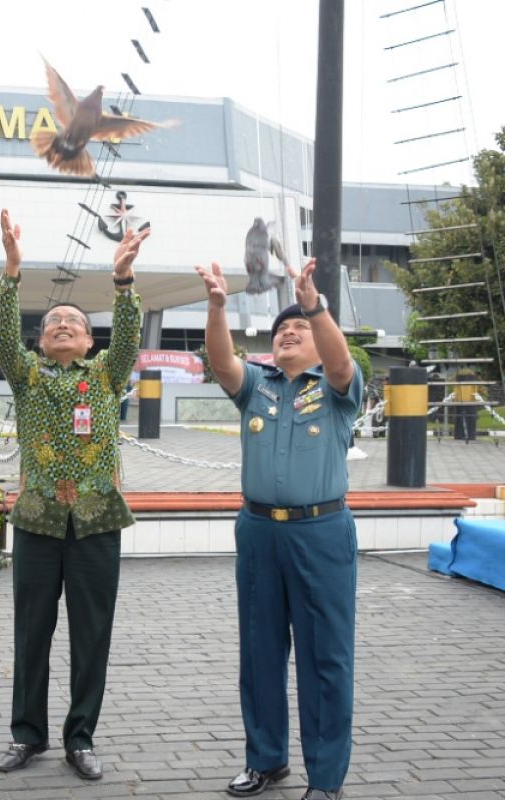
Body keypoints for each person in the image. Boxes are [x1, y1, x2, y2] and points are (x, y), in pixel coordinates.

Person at [195, 258, 361, 800]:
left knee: (324, 658)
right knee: (260, 650)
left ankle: (327, 778)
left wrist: (315, 305)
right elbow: (222, 362)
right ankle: (266, 760)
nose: (289, 332)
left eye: (301, 328)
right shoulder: (258, 386)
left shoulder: (338, 389)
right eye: (281, 329)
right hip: (260, 531)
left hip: (321, 532)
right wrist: (218, 306)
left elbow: (340, 365)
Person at [0, 209, 147, 782]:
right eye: (53, 320)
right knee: (31, 633)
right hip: (36, 522)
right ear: (41, 337)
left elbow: (128, 335)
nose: (61, 325)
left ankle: (80, 737)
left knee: (91, 635)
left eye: (72, 322)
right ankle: (26, 735)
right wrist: (11, 271)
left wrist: (123, 281)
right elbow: (4, 336)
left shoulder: (106, 374)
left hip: (96, 524)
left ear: (87, 339)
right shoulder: (27, 375)